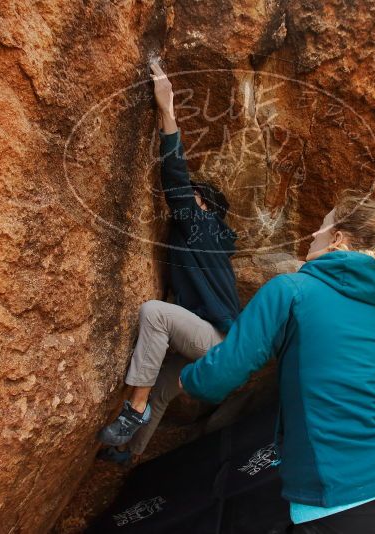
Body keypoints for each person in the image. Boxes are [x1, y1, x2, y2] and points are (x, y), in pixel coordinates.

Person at [180, 196, 375, 533]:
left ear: (338, 238)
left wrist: (183, 380)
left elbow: (216, 379)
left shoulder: (291, 289)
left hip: (341, 505)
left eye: (322, 226)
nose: (313, 233)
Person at [97, 61, 241, 463]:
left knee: (155, 314)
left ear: (204, 206)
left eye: (194, 196)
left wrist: (167, 111)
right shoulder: (206, 240)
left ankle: (132, 412)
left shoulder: (202, 225)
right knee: (162, 388)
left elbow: (175, 179)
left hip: (218, 342)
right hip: (216, 344)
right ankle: (128, 452)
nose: (185, 200)